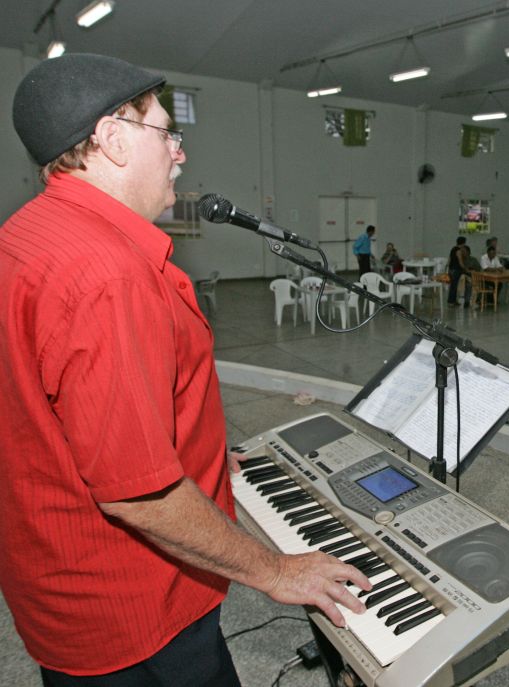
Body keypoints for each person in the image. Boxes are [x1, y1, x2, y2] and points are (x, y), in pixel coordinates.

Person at [0, 54, 370, 686]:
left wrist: (188, 444)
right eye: (167, 133)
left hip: (56, 584)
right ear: (112, 140)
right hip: (135, 609)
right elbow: (137, 493)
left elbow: (58, 405)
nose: (180, 152)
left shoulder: (28, 233)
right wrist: (278, 572)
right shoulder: (106, 274)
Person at [447, 236, 470, 307]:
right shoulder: (459, 251)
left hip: (451, 269)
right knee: (454, 286)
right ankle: (451, 302)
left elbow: (449, 260)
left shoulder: (453, 249)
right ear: (463, 243)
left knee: (453, 286)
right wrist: (466, 269)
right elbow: (460, 262)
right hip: (456, 270)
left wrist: (448, 268)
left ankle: (453, 301)